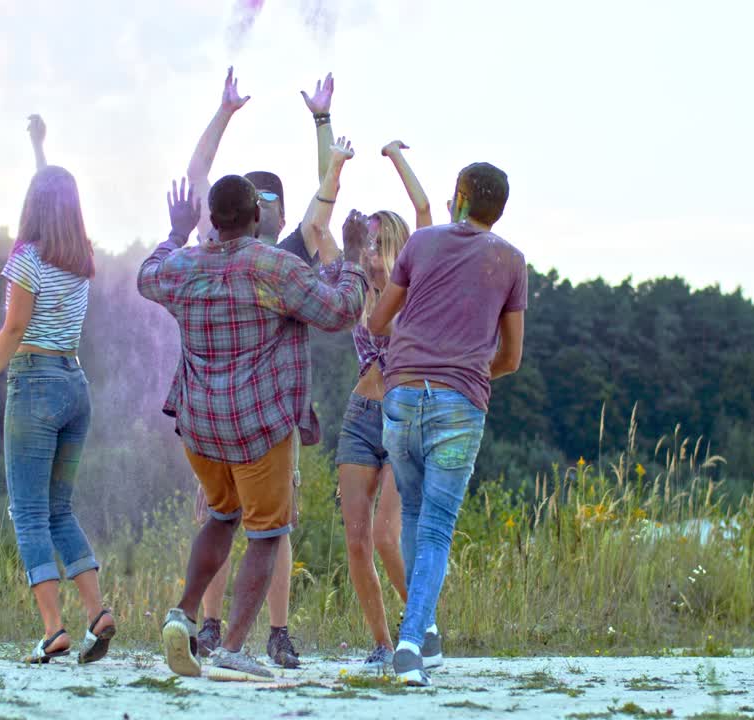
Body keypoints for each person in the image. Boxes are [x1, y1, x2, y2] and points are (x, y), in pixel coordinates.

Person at [140, 175, 367, 681]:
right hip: (258, 426)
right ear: (256, 217)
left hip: (200, 426)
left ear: (210, 219)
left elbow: (146, 275)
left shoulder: (185, 265)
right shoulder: (274, 267)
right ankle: (233, 649)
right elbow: (341, 311)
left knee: (222, 517)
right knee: (266, 534)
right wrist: (351, 257)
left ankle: (184, 615)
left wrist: (177, 232)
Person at [182, 67, 341, 668]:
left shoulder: (291, 252)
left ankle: (273, 630)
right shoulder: (217, 249)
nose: (265, 207)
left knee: (271, 526)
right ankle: (214, 627)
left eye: (271, 198)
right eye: (257, 199)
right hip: (229, 411)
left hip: (268, 411)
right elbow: (197, 179)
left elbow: (327, 195)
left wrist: (323, 123)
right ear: (246, 212)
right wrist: (222, 113)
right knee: (221, 518)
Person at [0, 114, 114, 665]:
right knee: (58, 509)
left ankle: (53, 630)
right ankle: (98, 614)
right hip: (76, 387)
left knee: (27, 512)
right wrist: (40, 148)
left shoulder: (26, 260)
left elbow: (13, 329)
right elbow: (56, 201)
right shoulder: (81, 256)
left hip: (35, 388)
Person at [368, 162, 526, 687]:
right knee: (435, 526)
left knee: (414, 514)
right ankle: (410, 645)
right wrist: (472, 370)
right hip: (459, 402)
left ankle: (426, 631)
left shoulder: (422, 243)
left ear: (459, 198)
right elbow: (511, 358)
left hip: (402, 394)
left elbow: (377, 323)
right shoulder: (511, 261)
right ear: (498, 210)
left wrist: (417, 335)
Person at [334, 139, 434, 673]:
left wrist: (395, 156)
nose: (368, 253)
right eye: (364, 245)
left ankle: (422, 627)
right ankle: (380, 644)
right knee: (355, 540)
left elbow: (423, 212)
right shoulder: (353, 287)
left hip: (403, 417)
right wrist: (334, 159)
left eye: (376, 244)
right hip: (358, 416)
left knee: (386, 536)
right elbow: (316, 232)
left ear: (393, 245)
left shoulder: (412, 286)